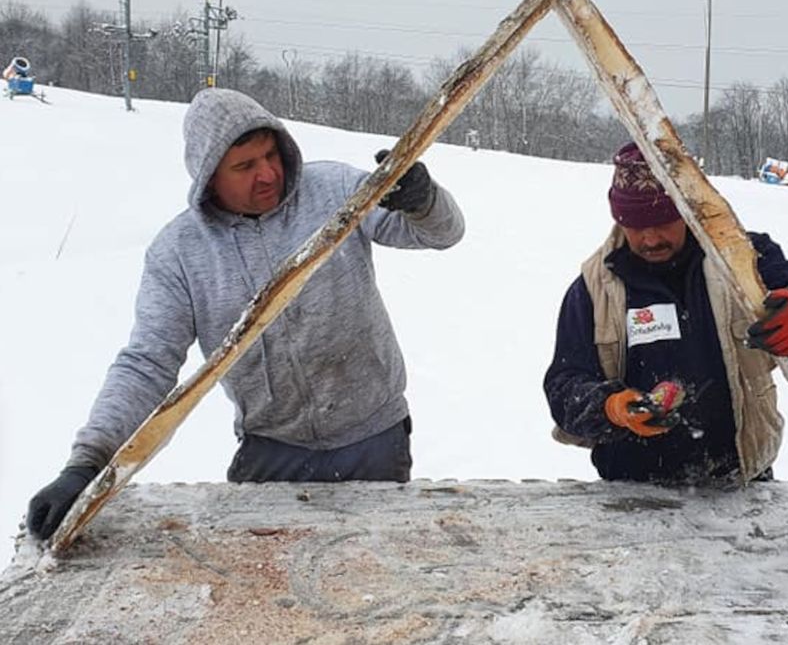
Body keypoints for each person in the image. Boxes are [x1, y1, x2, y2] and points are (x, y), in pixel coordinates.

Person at [25, 88, 465, 541]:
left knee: (375, 571)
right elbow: (147, 363)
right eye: (244, 166)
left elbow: (441, 234)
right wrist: (86, 464)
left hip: (373, 438)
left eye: (271, 155)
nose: (268, 174)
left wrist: (422, 200)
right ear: (207, 176)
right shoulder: (179, 253)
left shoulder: (334, 191)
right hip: (272, 450)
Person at [544, 142, 788, 484]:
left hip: (742, 485)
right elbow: (564, 387)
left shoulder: (741, 258)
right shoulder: (593, 289)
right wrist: (612, 408)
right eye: (636, 225)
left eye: (664, 221)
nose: (651, 238)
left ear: (687, 209)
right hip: (633, 494)